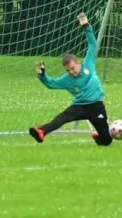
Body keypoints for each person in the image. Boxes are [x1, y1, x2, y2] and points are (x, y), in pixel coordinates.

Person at [29, 12, 113, 146]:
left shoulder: (88, 64)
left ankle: (99, 136)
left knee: (107, 141)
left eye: (73, 68)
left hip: (96, 106)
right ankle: (41, 132)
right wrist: (42, 75)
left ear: (78, 63)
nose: (71, 72)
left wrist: (86, 26)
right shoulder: (66, 79)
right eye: (68, 70)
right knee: (61, 118)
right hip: (79, 106)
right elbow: (51, 84)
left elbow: (92, 44)